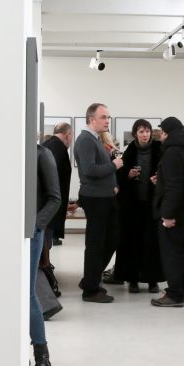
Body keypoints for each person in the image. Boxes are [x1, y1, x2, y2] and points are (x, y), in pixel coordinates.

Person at [73, 103, 122, 303]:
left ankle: (91, 280)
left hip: (104, 197)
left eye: (108, 117)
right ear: (91, 119)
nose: (107, 121)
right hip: (96, 198)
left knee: (110, 239)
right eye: (103, 117)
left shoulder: (94, 140)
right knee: (95, 244)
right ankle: (91, 290)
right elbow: (90, 170)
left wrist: (113, 185)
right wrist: (114, 165)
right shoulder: (86, 140)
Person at [151, 117, 184, 308]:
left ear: (167, 133)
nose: (160, 135)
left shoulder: (172, 153)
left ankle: (174, 294)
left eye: (162, 131)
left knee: (172, 253)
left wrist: (168, 214)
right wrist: (161, 179)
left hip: (175, 213)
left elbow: (175, 186)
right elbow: (180, 181)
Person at [112, 119, 164, 293]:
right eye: (141, 132)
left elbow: (166, 174)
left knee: (152, 243)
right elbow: (119, 180)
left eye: (147, 131)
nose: (145, 135)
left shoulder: (159, 150)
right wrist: (128, 175)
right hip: (133, 206)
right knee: (132, 242)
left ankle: (152, 280)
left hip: (152, 205)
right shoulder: (129, 152)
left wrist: (158, 180)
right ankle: (132, 279)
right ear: (135, 134)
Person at [30, 142, 62, 366]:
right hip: (2, 234)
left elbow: (54, 199)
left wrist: (35, 226)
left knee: (28, 292)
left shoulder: (43, 154)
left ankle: (42, 355)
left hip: (30, 234)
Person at [39, 123, 72, 295]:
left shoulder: (49, 146)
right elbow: (54, 183)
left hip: (47, 208)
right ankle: (46, 287)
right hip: (49, 209)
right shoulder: (56, 149)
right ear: (67, 134)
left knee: (45, 247)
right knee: (44, 248)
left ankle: (47, 284)